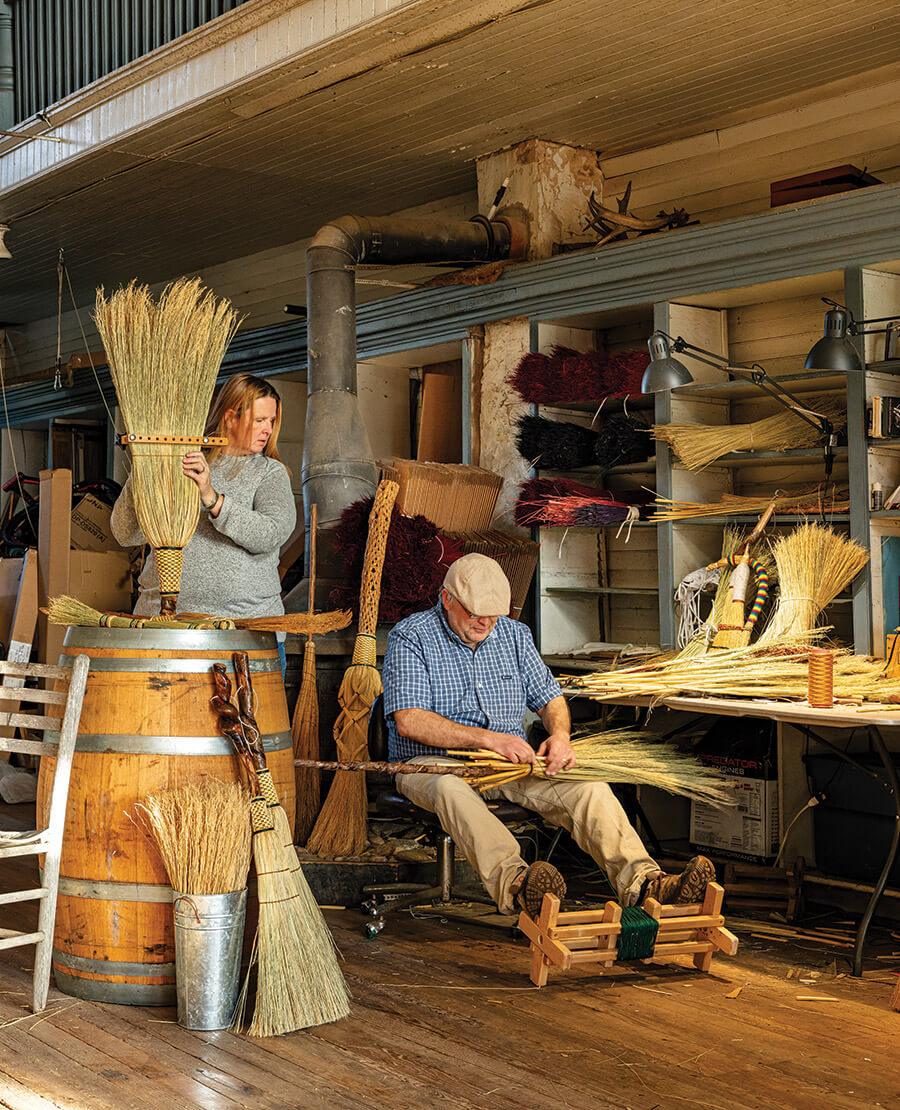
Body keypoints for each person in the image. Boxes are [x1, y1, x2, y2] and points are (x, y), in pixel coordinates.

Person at [382, 553, 715, 917]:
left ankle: (646, 884)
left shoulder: (513, 636)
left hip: (508, 763)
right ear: (447, 599)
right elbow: (410, 721)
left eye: (494, 614)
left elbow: (550, 698)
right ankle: (519, 886)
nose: (485, 623)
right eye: (475, 613)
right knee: (451, 791)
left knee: (589, 789)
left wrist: (560, 736)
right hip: (431, 764)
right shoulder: (412, 636)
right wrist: (489, 738)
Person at [111, 373, 297, 673]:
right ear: (230, 417)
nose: (268, 429)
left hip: (243, 632)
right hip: (163, 625)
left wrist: (212, 498)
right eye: (260, 419)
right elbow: (124, 534)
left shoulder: (269, 473)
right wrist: (144, 470)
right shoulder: (179, 461)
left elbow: (270, 533)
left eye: (272, 421)